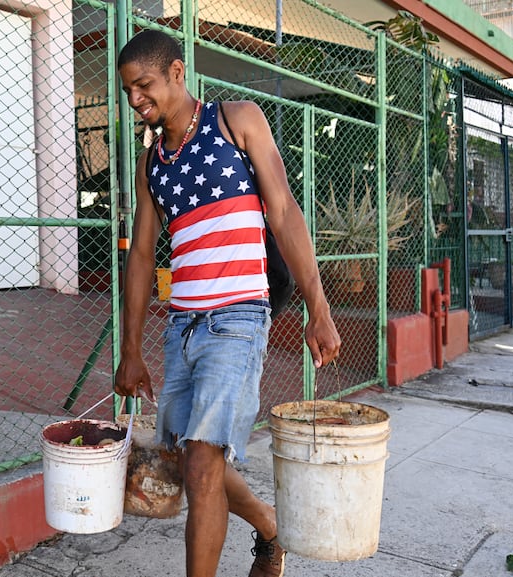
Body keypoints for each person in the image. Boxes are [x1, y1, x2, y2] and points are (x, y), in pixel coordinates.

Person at [113, 29, 342, 577]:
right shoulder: (151, 167)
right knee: (190, 461)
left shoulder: (236, 120)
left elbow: (283, 211)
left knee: (202, 465)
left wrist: (320, 308)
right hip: (183, 326)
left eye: (143, 85)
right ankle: (268, 524)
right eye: (127, 91)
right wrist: (130, 351)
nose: (135, 100)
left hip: (239, 316)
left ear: (175, 72)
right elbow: (142, 257)